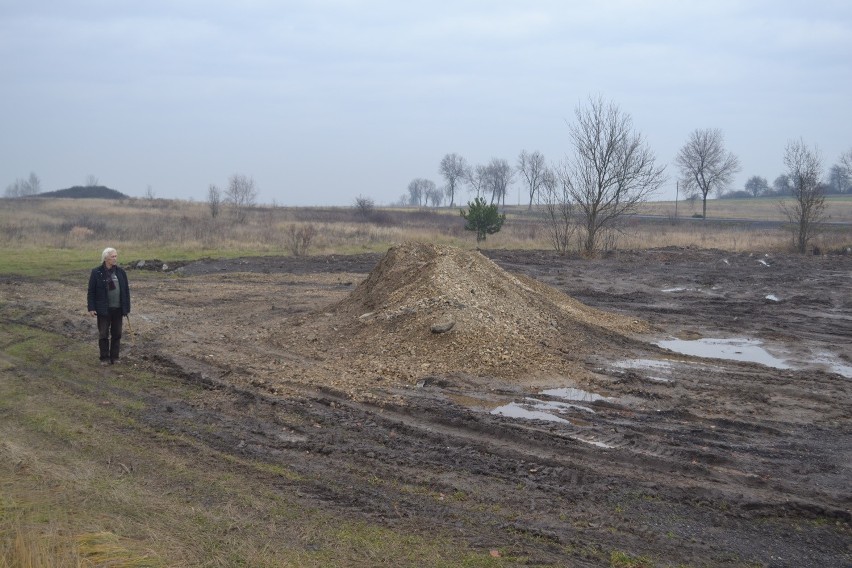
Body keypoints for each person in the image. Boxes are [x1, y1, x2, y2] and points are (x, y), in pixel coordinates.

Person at [87, 247, 131, 365]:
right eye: (113, 256)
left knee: (117, 334)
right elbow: (91, 291)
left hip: (118, 309)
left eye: (116, 256)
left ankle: (115, 357)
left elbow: (126, 291)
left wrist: (126, 308)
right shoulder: (97, 272)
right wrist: (91, 308)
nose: (115, 258)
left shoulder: (121, 272)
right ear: (106, 258)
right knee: (103, 334)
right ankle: (104, 358)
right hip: (103, 310)